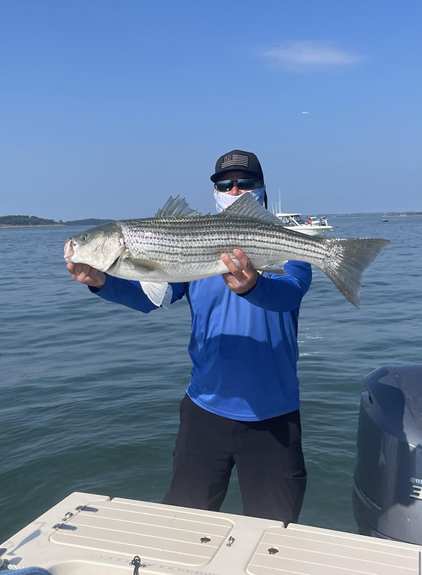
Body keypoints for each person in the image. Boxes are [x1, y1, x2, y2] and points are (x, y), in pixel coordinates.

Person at [67, 149, 312, 524]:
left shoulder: (286, 243)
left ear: (262, 188)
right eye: (225, 184)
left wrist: (253, 287)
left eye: (245, 183)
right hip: (204, 412)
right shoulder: (190, 249)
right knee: (180, 528)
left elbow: (289, 294)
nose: (235, 190)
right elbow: (151, 298)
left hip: (273, 417)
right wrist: (102, 282)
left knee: (273, 534)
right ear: (214, 191)